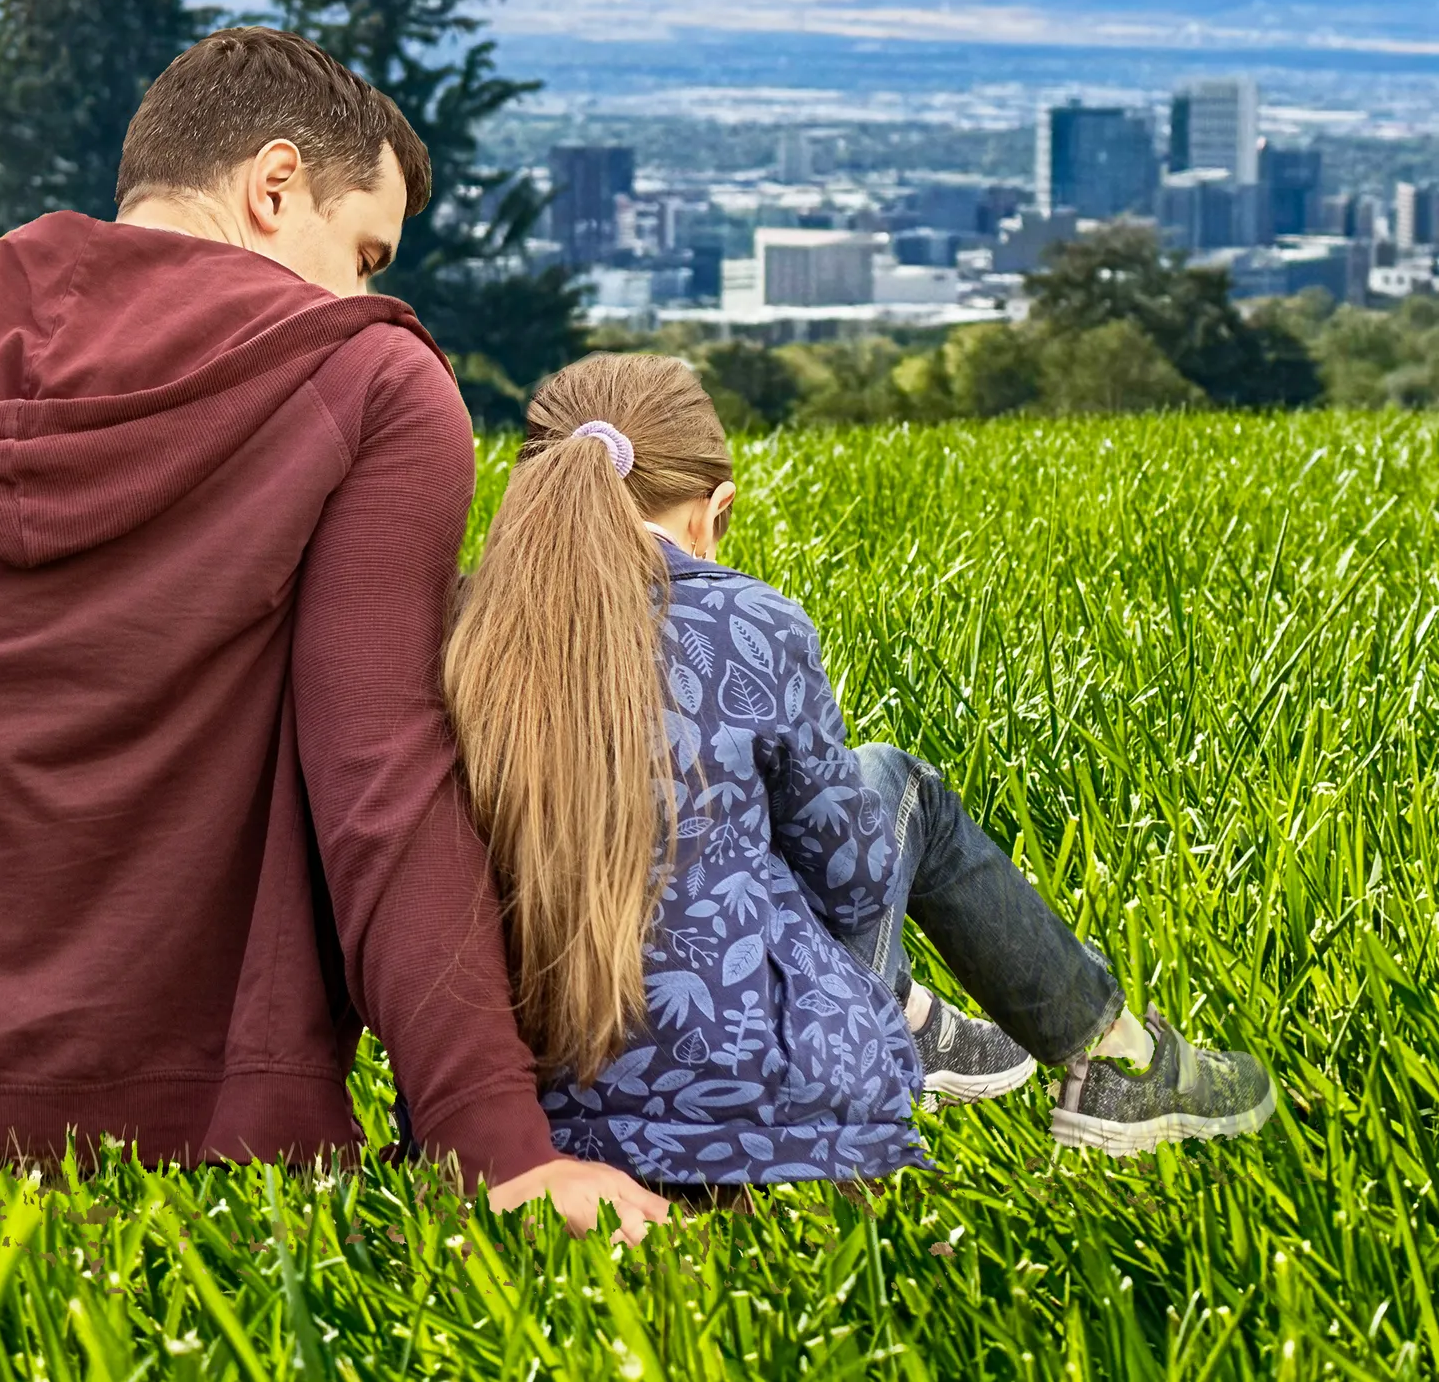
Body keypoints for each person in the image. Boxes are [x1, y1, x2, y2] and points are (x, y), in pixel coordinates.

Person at [0, 26, 670, 1241]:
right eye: (362, 252)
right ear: (273, 186)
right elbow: (382, 778)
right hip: (181, 1111)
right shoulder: (372, 383)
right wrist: (497, 1148)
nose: (364, 294)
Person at [442, 354, 1275, 1184]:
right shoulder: (751, 622)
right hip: (762, 1108)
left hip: (508, 1102)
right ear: (714, 511)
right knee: (894, 786)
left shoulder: (461, 636)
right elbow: (855, 882)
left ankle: (928, 1022)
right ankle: (1117, 1060)